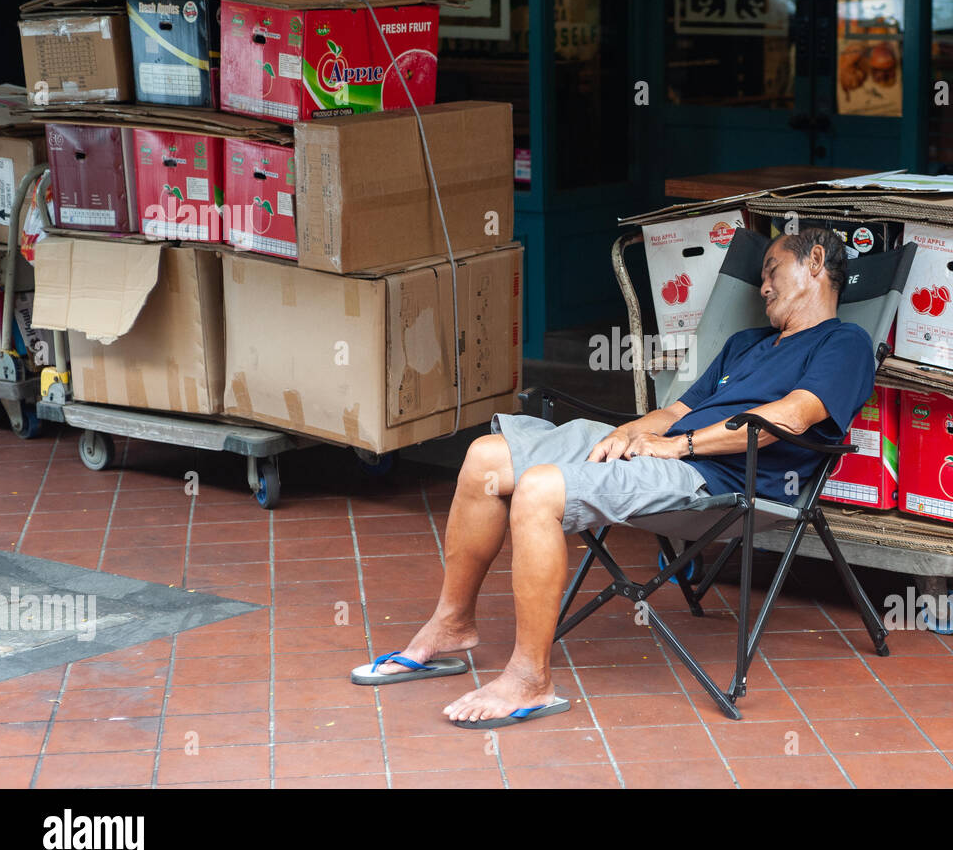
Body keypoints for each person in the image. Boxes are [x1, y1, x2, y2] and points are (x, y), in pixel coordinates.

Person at [350, 228, 876, 728]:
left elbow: (788, 418)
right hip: (667, 449)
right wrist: (625, 436)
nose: (762, 285)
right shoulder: (746, 343)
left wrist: (674, 448)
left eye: (772, 270)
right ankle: (452, 623)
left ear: (814, 263)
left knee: (538, 490)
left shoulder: (843, 344)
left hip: (711, 477)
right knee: (486, 456)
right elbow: (675, 411)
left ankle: (529, 681)